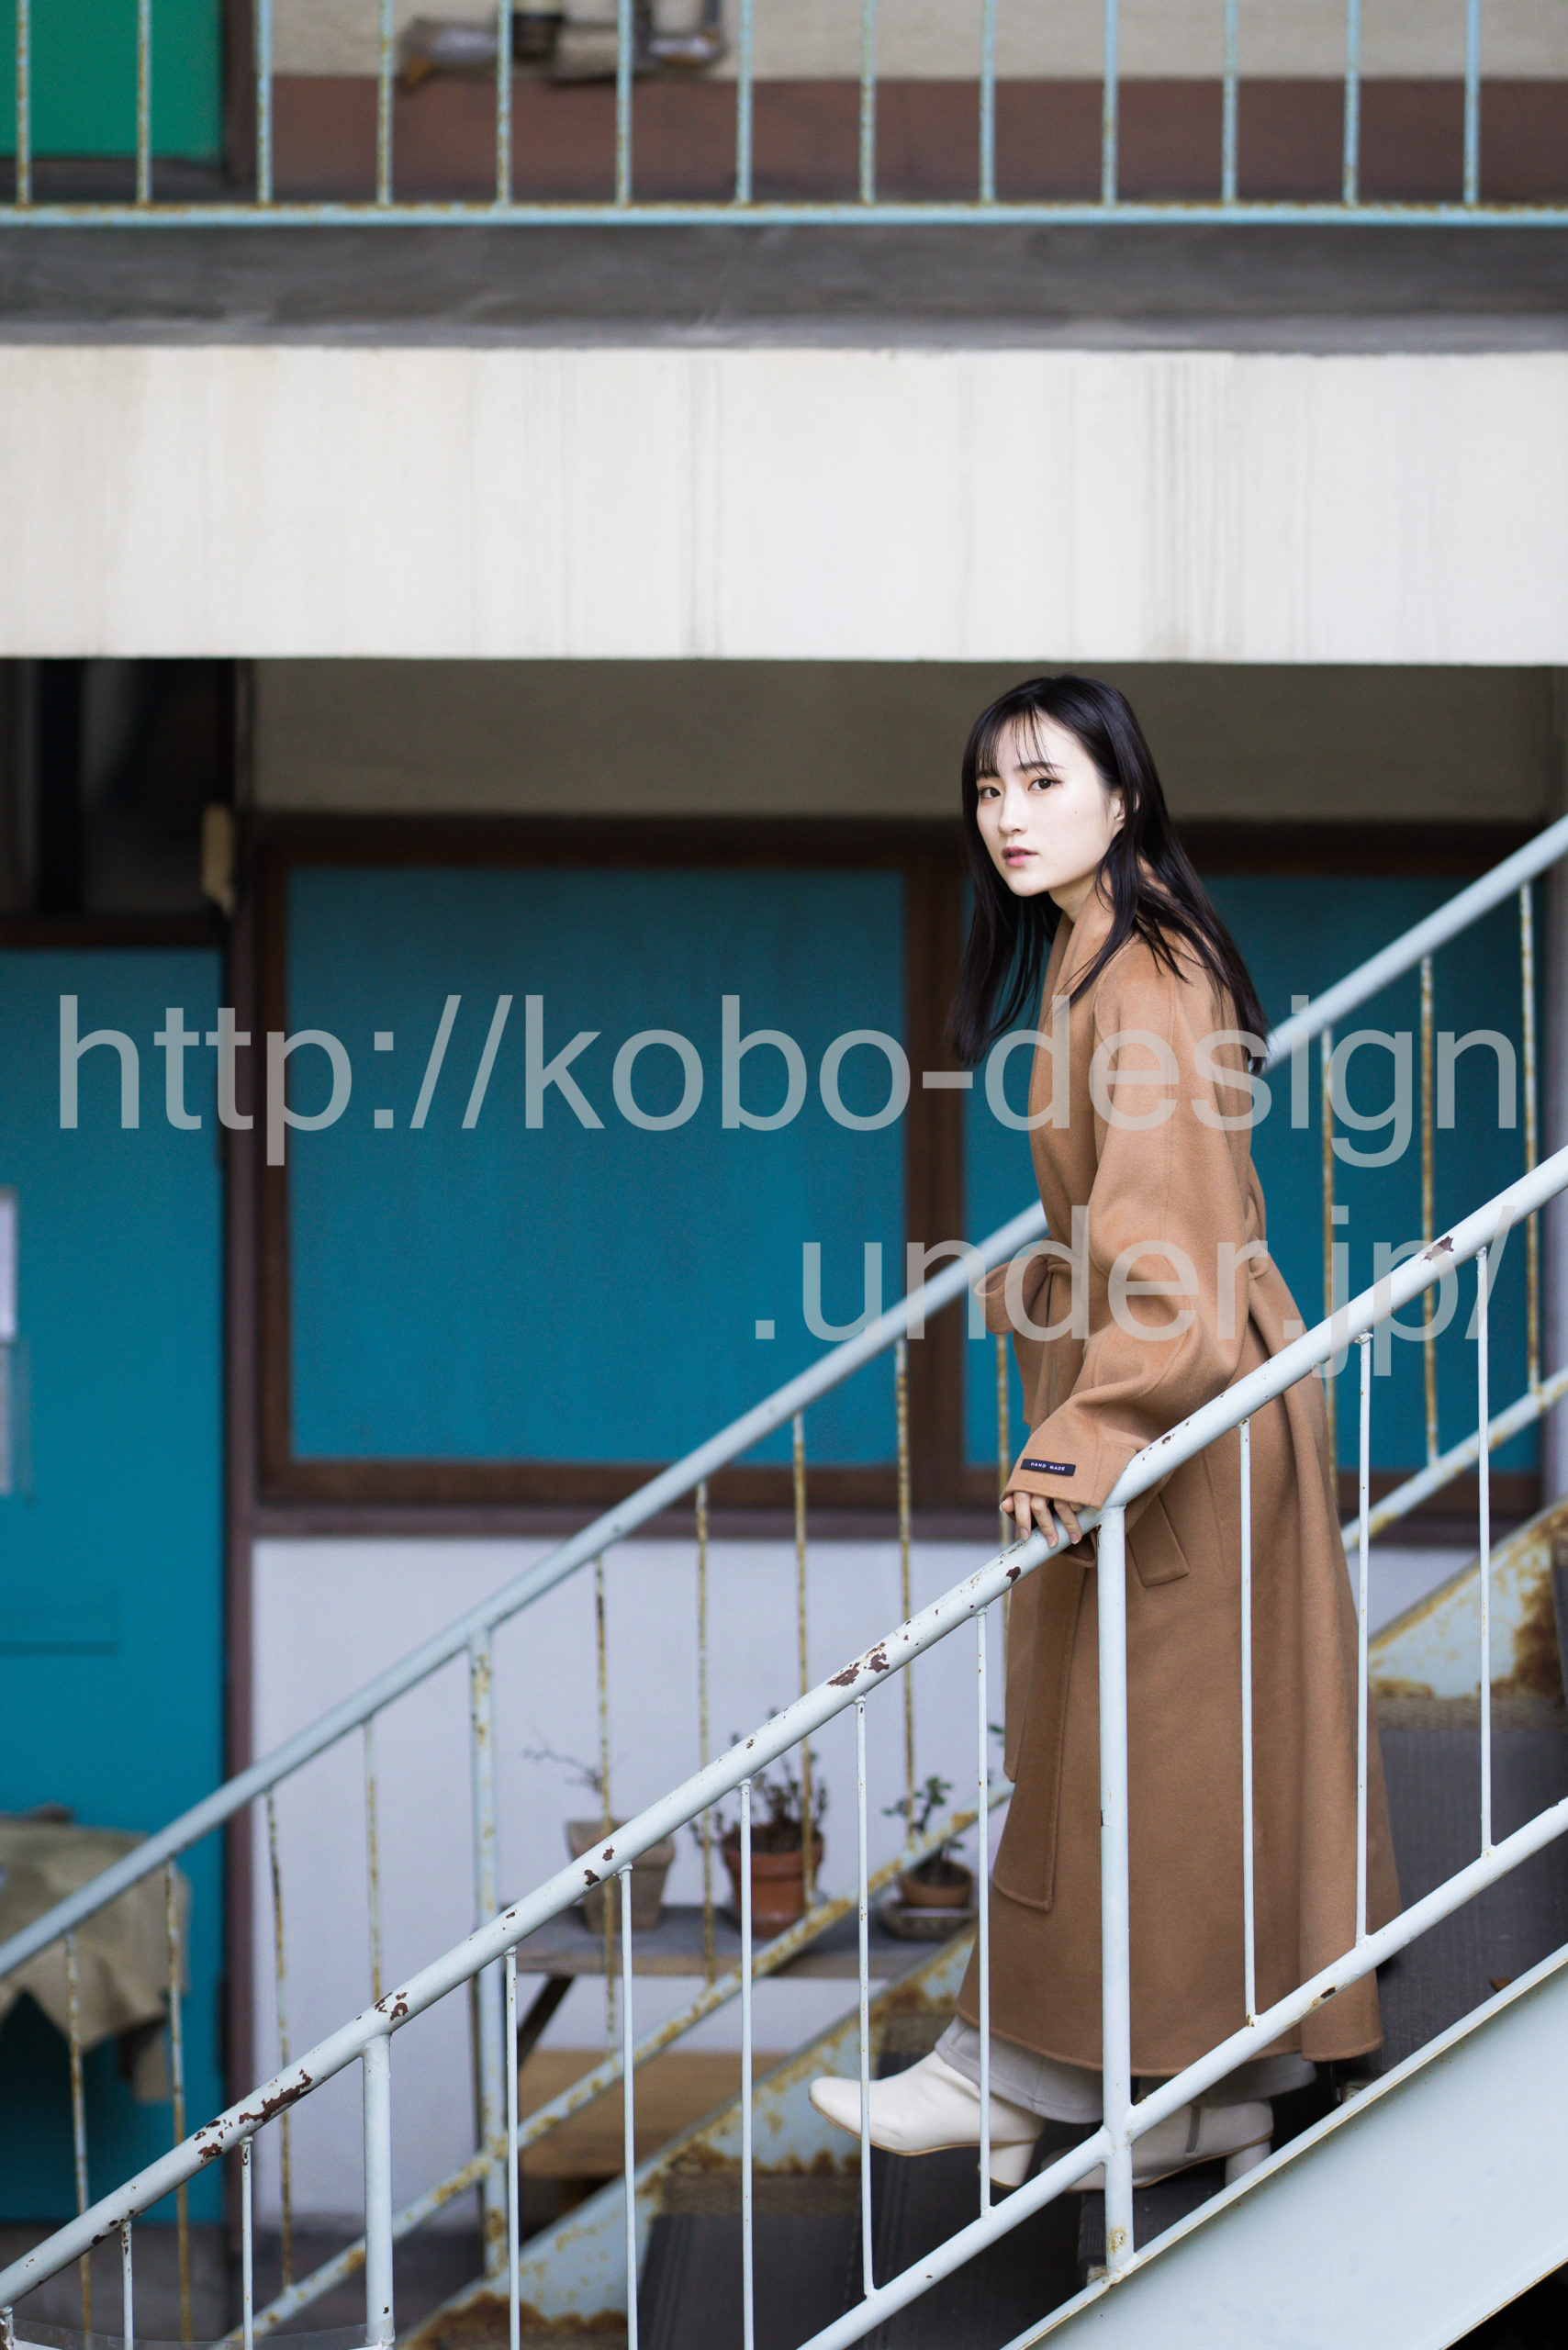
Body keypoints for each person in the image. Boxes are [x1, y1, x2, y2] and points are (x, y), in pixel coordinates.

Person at [812, 674, 1398, 2190]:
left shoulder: (1145, 974)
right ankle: (1195, 2096)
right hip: (1191, 1408)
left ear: (1122, 797)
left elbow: (1172, 1254)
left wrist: (1089, 1428)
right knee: (1150, 1764)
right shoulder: (1109, 954)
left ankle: (1002, 2077)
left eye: (1042, 782)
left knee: (1128, 1764)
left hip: (1184, 1417)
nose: (1007, 817)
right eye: (989, 790)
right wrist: (1053, 1295)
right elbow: (1147, 1230)